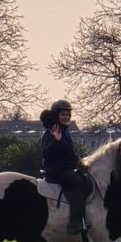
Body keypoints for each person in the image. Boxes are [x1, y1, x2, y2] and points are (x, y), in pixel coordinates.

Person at [40, 99, 88, 234]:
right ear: (56, 116)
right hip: (55, 171)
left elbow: (70, 153)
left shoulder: (65, 132)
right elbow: (45, 153)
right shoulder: (51, 132)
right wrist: (56, 141)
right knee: (78, 184)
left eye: (68, 114)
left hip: (66, 169)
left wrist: (81, 163)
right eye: (63, 114)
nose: (66, 117)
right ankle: (75, 223)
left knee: (85, 179)